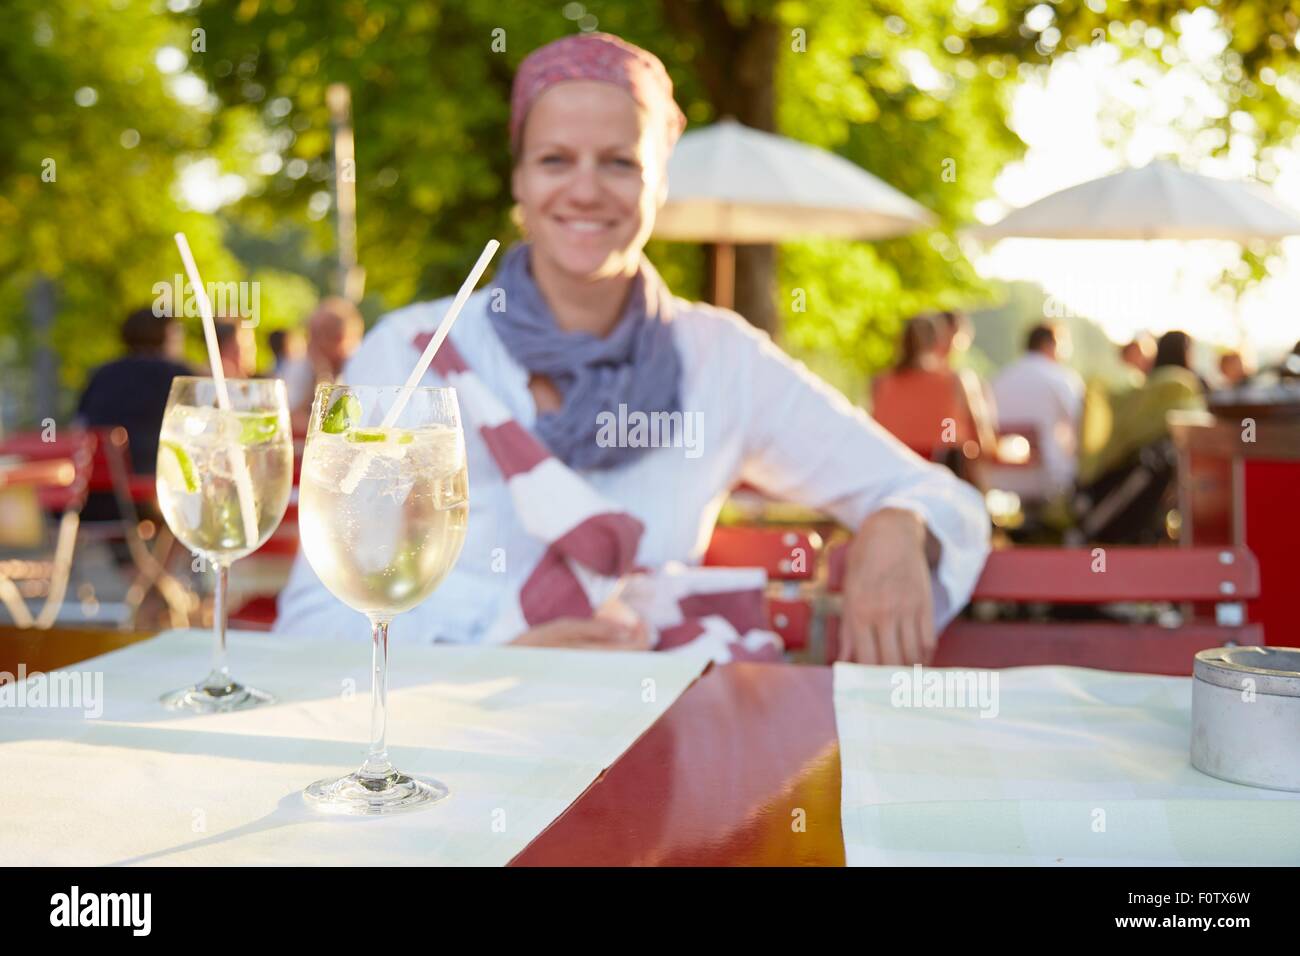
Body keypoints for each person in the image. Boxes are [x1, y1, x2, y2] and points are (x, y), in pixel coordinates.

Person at [275, 32, 990, 665]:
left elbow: (941, 497)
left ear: (659, 181)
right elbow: (317, 615)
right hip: (448, 751)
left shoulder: (721, 359)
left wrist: (903, 524)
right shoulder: (411, 348)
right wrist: (500, 645)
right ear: (519, 178)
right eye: (555, 159)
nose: (585, 190)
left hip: (648, 743)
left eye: (619, 162)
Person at [871, 314, 995, 486]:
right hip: (943, 470)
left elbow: (875, 429)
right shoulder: (954, 381)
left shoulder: (881, 382)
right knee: (955, 446)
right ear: (938, 341)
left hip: (893, 472)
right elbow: (979, 438)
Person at [76, 307, 193, 474]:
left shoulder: (102, 373)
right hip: (154, 473)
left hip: (98, 478)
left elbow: (81, 423)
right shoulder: (177, 375)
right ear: (166, 335)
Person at [991, 324, 1084, 497]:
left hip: (996, 476)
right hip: (1046, 478)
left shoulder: (1000, 377)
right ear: (1051, 345)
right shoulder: (1062, 379)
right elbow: (1082, 423)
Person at [281, 297, 364, 432]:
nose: (313, 342)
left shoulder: (363, 368)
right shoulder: (300, 366)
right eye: (311, 333)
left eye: (327, 333)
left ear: (350, 337)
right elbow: (287, 419)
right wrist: (322, 376)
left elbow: (347, 428)